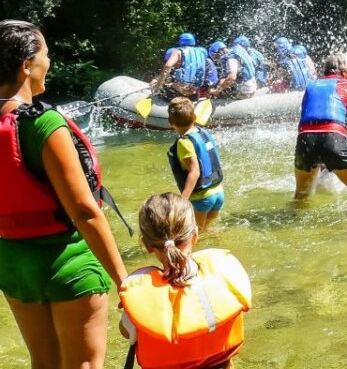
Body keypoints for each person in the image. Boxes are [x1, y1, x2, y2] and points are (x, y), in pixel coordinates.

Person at [0, 19, 128, 368]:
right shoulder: (43, 124)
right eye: (46, 54)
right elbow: (84, 211)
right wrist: (124, 281)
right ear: (26, 66)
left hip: (13, 264)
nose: (50, 62)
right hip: (67, 262)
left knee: (43, 363)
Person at [119, 193, 251, 369]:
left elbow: (127, 332)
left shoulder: (141, 294)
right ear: (195, 236)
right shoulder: (224, 274)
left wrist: (131, 306)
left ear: (147, 245)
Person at [294, 52, 347, 199]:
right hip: (333, 139)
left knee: (301, 199)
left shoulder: (311, 86)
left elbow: (306, 123)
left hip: (304, 142)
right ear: (345, 71)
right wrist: (346, 157)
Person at [167, 97, 225, 231]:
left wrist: (183, 200)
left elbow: (195, 171)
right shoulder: (203, 132)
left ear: (170, 122)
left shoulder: (184, 142)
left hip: (202, 198)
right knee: (206, 231)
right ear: (194, 118)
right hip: (218, 193)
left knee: (193, 234)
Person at [150, 33, 210, 100]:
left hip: (177, 93)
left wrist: (158, 85)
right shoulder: (201, 53)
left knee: (154, 83)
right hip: (194, 94)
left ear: (180, 41)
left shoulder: (178, 51)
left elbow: (168, 66)